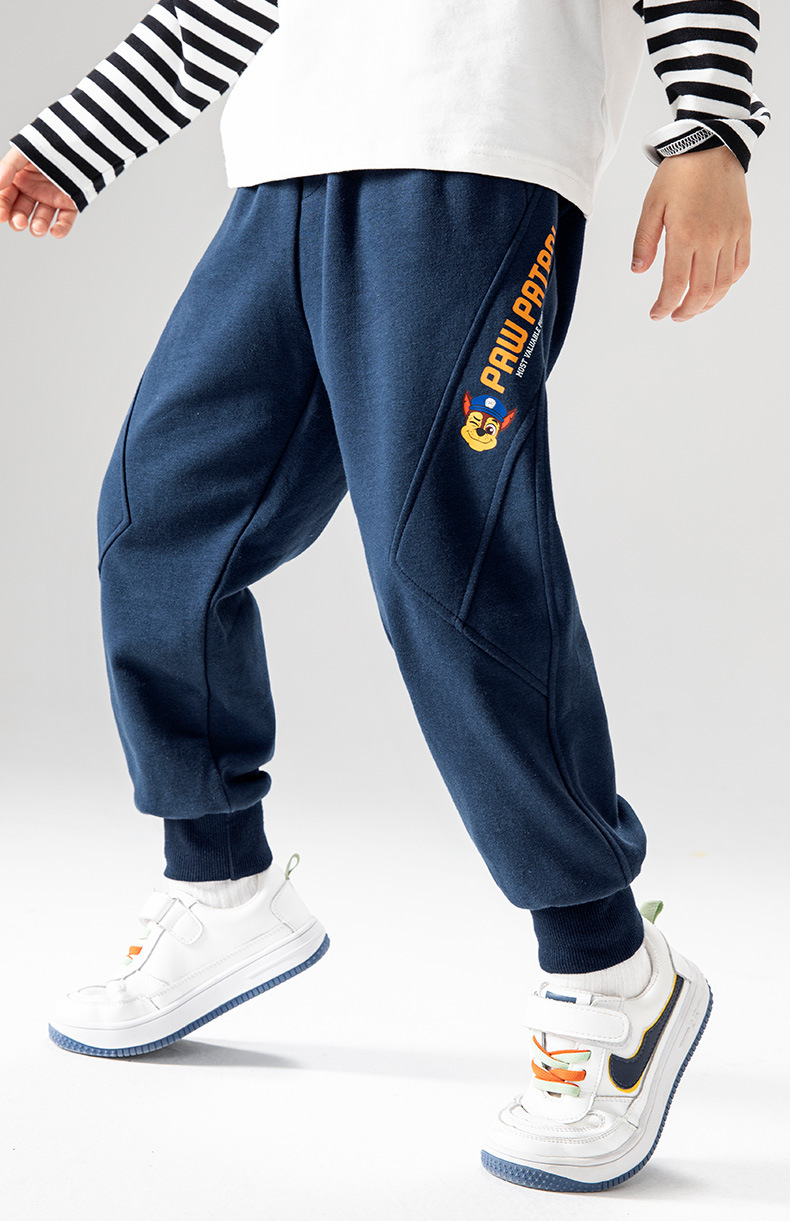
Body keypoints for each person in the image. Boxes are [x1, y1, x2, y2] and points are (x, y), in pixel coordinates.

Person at [0, 0, 769, 1195]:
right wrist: (73, 140)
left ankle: (609, 970)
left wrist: (711, 130)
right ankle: (220, 884)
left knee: (444, 565)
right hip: (284, 164)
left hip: (474, 152)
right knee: (160, 531)